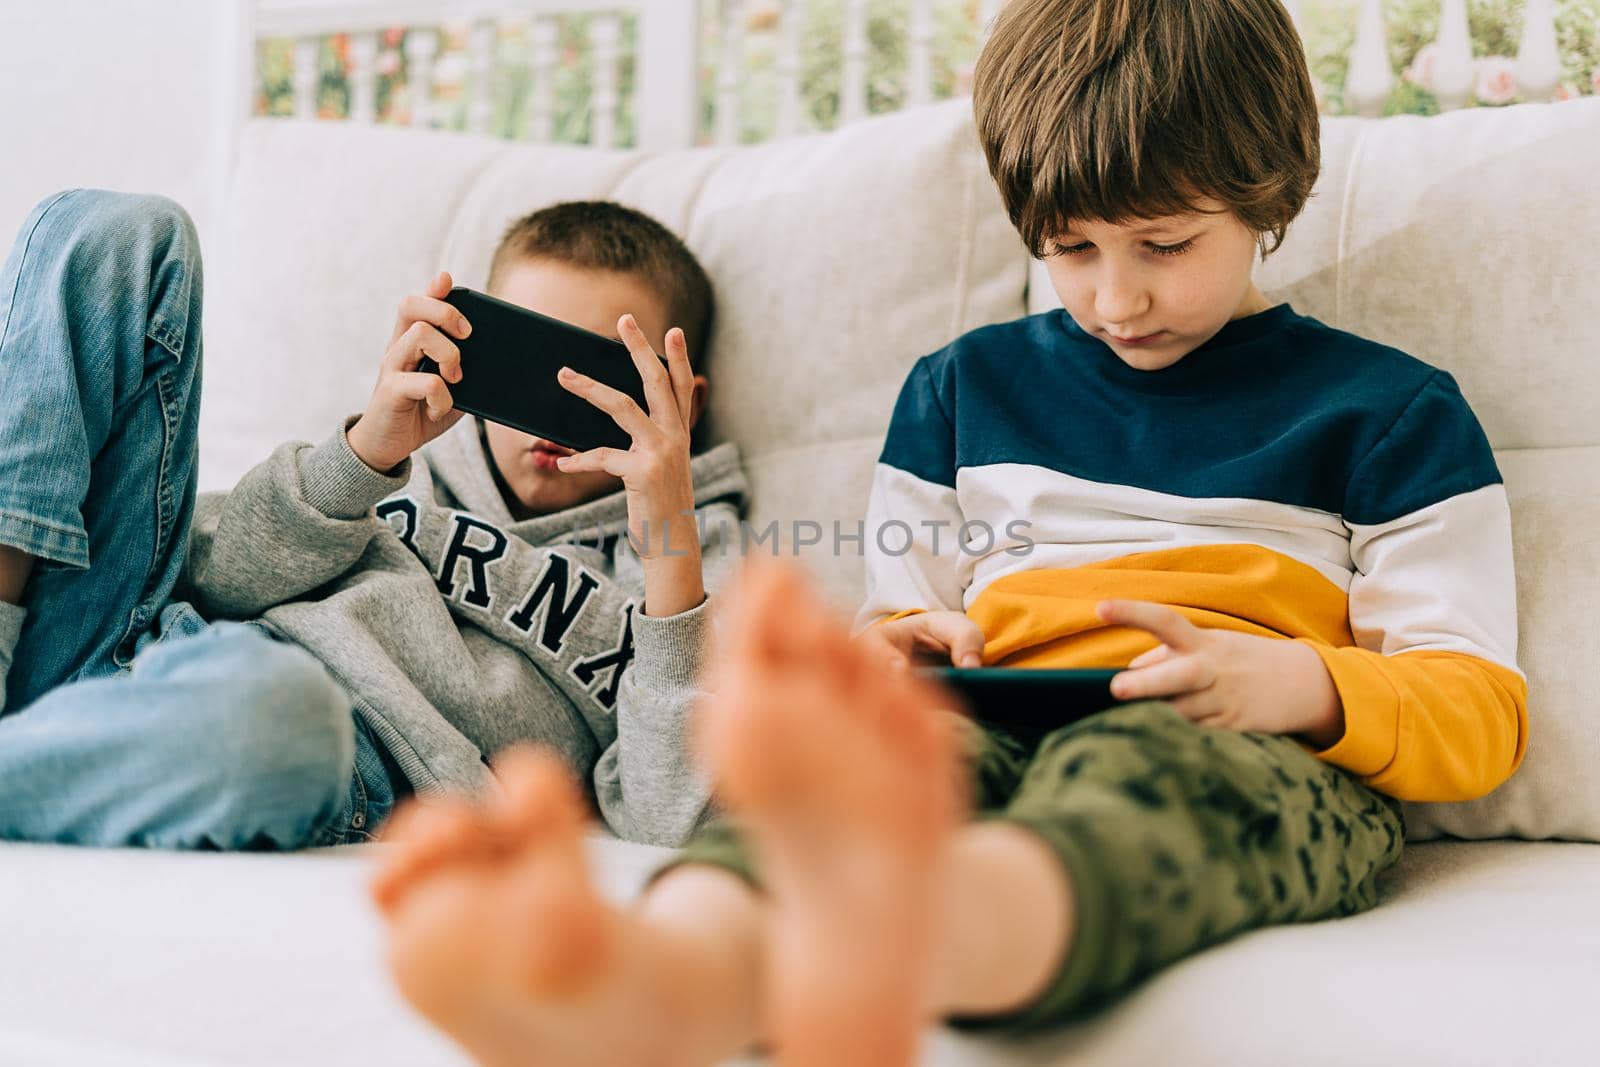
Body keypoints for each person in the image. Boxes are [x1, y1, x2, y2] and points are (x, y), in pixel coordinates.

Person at [368, 0, 1528, 1062]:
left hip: (1239, 742)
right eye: (1070, 249)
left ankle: (899, 945)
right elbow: (904, 619)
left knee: (1133, 788)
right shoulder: (958, 393)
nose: (1114, 299)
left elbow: (1477, 710)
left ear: (1269, 190)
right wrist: (896, 651)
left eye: (1162, 245)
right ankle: (656, 979)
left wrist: (1296, 683)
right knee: (867, 790)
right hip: (988, 714)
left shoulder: (1390, 411)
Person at [0, 193, 745, 849]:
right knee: (121, 231)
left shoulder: (702, 565)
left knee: (275, 706)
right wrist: (361, 456)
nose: (557, 408)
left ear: (688, 402)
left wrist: (667, 536)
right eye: (536, 364)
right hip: (142, 633)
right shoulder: (412, 466)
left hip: (307, 740)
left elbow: (669, 816)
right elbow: (214, 574)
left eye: (600, 377)